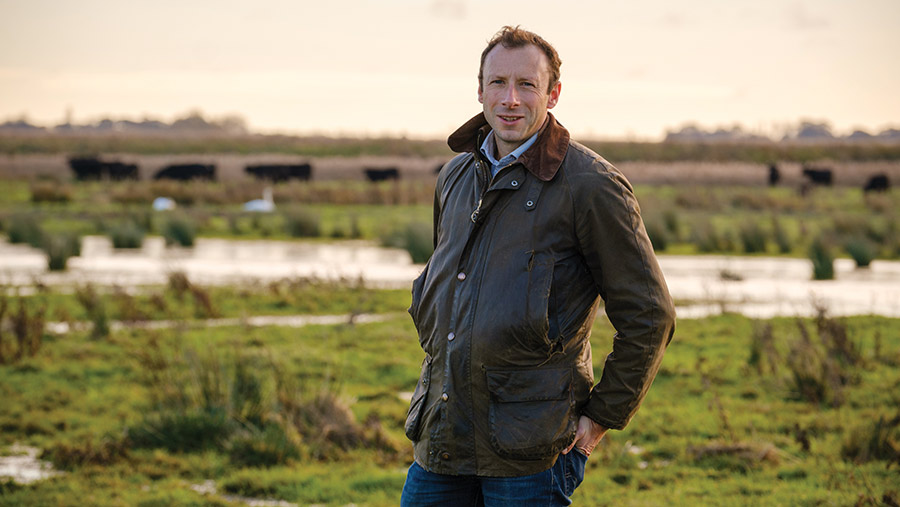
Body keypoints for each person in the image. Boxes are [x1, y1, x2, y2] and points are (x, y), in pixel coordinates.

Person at [401, 25, 676, 506]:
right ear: (480, 89)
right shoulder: (454, 176)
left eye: (527, 85)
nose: (510, 99)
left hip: (532, 456)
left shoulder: (591, 186)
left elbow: (650, 315)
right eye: (498, 83)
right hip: (441, 444)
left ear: (553, 95)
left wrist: (601, 418)